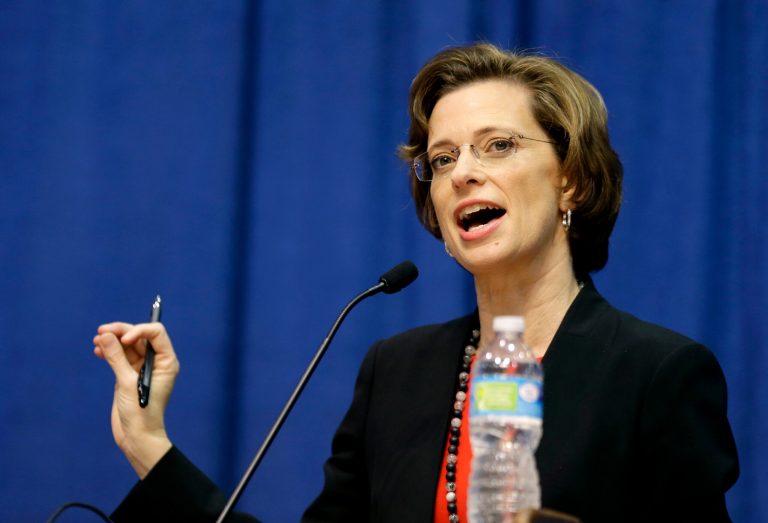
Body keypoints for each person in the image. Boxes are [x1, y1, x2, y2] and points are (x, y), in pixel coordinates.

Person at [94, 43, 739, 522]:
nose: (463, 173)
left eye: (498, 145)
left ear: (570, 178)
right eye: (442, 158)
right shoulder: (397, 372)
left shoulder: (657, 375)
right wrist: (147, 443)